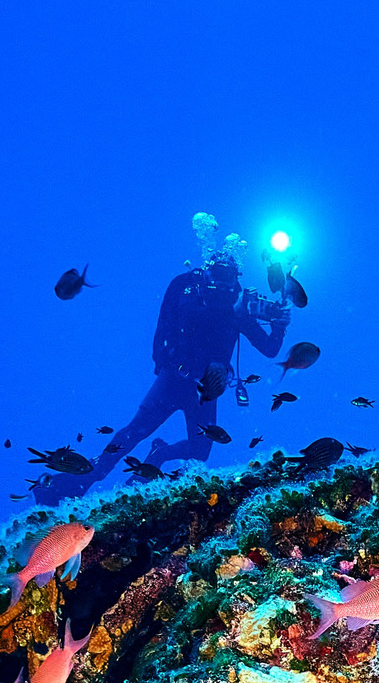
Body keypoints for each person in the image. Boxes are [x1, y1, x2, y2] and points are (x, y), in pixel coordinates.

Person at [36, 215, 293, 504]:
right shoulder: (187, 288)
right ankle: (83, 478)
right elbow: (162, 328)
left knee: (200, 451)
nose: (222, 286)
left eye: (228, 280)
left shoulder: (239, 307)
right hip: (174, 377)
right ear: (207, 274)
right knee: (134, 432)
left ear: (236, 279)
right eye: (218, 278)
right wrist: (167, 362)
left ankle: (160, 454)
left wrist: (279, 325)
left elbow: (269, 349)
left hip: (205, 391)